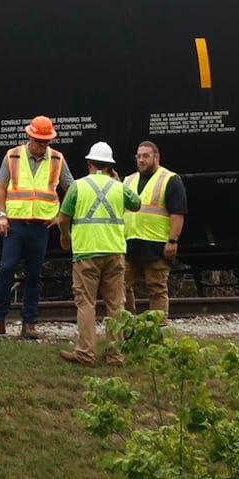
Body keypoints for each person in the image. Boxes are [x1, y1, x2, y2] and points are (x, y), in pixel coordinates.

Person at [57, 141, 141, 366]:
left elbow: (63, 217)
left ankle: (85, 353)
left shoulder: (78, 186)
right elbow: (136, 203)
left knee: (86, 303)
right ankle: (115, 355)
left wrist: (65, 236)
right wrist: (118, 181)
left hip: (86, 252)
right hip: (114, 252)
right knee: (115, 305)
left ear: (89, 164)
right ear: (111, 166)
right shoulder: (118, 187)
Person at [0, 115, 73, 340]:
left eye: (46, 141)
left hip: (40, 227)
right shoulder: (12, 156)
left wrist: (60, 217)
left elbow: (72, 190)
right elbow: (1, 189)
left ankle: (29, 323)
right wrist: (1, 216)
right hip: (15, 225)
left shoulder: (57, 159)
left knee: (34, 275)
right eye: (38, 140)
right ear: (29, 136)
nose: (42, 145)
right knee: (6, 269)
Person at [123, 140, 187, 322]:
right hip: (129, 245)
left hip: (157, 247)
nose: (141, 160)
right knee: (120, 286)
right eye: (138, 156)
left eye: (146, 156)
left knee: (157, 289)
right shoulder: (128, 180)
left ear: (156, 157)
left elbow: (177, 213)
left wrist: (172, 241)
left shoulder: (170, 179)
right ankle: (128, 326)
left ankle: (157, 333)